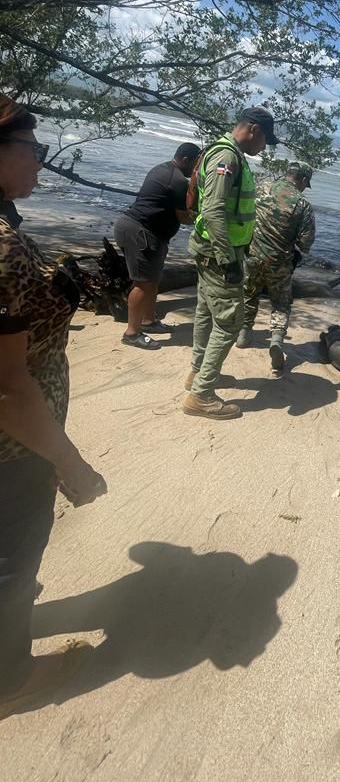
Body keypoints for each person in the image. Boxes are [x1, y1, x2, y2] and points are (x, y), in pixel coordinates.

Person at [0, 95, 107, 720]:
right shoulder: (3, 248)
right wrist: (69, 463)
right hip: (14, 448)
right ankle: (11, 680)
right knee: (12, 559)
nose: (42, 162)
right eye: (32, 151)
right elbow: (10, 391)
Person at [183, 106, 278, 419]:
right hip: (219, 253)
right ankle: (202, 394)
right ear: (253, 130)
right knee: (229, 321)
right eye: (265, 140)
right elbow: (213, 211)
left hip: (210, 249)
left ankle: (199, 373)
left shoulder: (226, 153)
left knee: (205, 312)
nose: (264, 148)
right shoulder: (228, 158)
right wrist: (229, 260)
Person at [113, 142, 201, 350]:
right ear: (186, 160)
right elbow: (183, 217)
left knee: (152, 279)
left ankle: (148, 320)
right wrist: (202, 216)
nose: (196, 169)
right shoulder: (177, 180)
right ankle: (132, 333)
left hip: (139, 230)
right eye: (196, 164)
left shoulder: (162, 168)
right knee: (143, 283)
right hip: (141, 232)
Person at [236, 161, 316, 370]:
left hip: (252, 254)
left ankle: (244, 335)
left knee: (249, 293)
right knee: (280, 303)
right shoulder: (302, 204)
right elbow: (305, 243)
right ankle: (277, 340)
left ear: (288, 173)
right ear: (304, 180)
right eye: (305, 184)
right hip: (280, 262)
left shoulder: (262, 187)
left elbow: (243, 213)